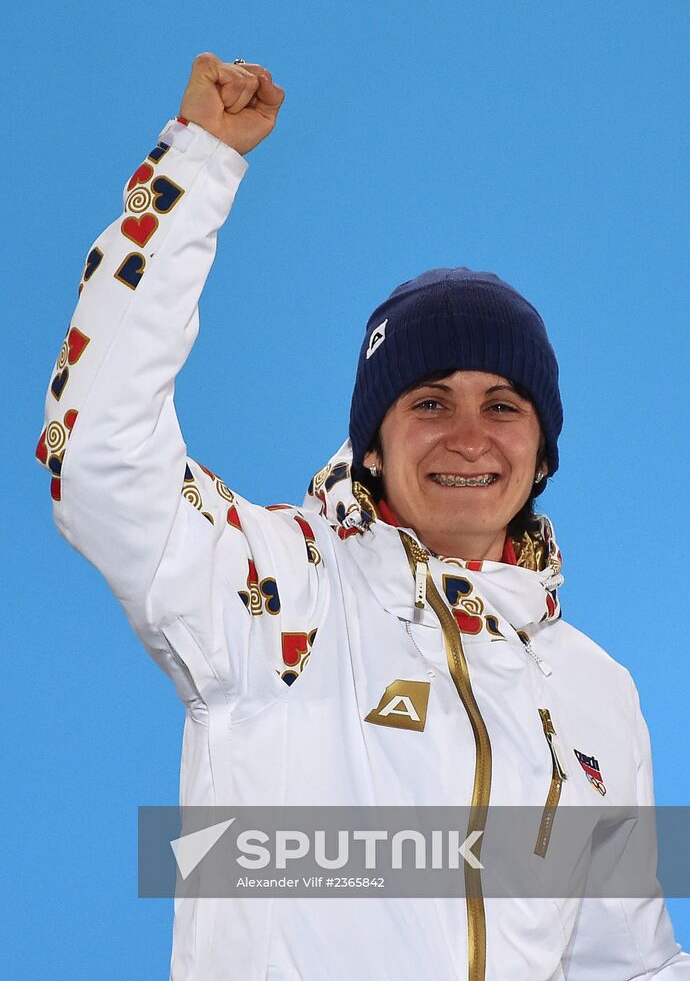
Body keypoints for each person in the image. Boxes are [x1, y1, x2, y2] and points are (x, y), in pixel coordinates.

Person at [37, 53, 688, 980]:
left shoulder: (594, 692)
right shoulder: (279, 595)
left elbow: (622, 966)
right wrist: (197, 168)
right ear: (372, 445)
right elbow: (94, 451)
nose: (469, 437)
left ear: (542, 453)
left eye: (504, 405)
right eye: (429, 402)